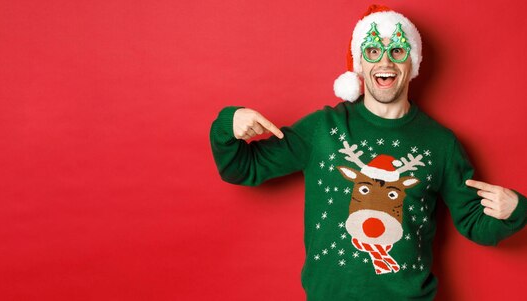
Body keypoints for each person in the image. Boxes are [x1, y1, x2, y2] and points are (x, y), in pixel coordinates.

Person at [209, 4, 526, 301]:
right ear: (360, 63)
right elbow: (241, 168)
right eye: (374, 51)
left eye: (397, 51)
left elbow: (474, 223)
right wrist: (228, 126)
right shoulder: (324, 129)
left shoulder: (440, 143)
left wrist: (515, 211)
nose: (385, 62)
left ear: (412, 63)